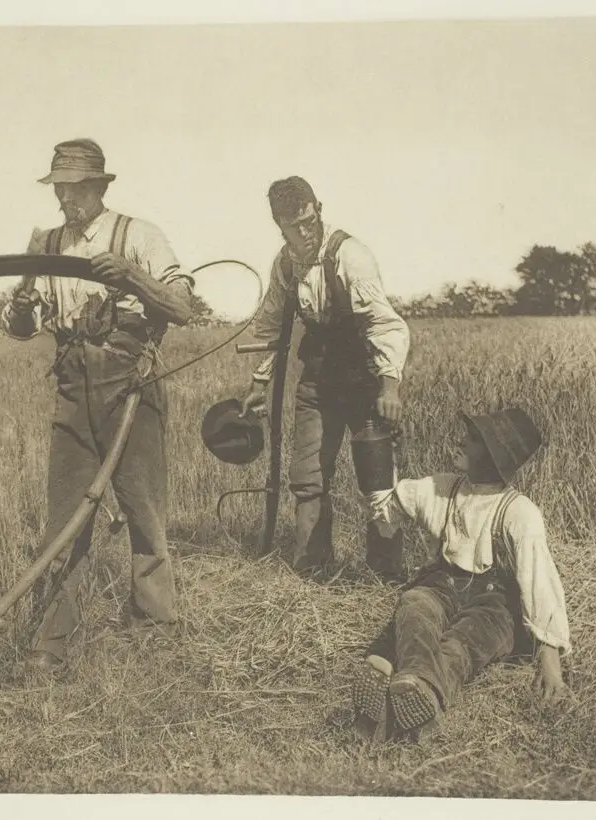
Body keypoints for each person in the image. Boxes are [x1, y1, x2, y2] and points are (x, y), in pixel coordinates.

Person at [2, 138, 193, 671]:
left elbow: (182, 305)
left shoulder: (137, 236)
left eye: (76, 188)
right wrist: (20, 309)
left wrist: (131, 276)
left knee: (143, 506)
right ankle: (51, 641)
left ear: (98, 187)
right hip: (72, 382)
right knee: (65, 515)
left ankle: (155, 625)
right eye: (60, 188)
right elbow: (22, 328)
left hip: (130, 380)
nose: (66, 199)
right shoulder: (45, 243)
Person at [351, 408, 570, 744]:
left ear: (495, 458)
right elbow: (385, 512)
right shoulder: (442, 489)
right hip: (443, 585)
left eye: (471, 440)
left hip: (494, 604)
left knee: (462, 643)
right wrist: (377, 457)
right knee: (414, 605)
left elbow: (538, 581)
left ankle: (406, 688)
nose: (459, 442)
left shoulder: (519, 512)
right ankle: (412, 693)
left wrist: (549, 654)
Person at [240, 176, 410, 577]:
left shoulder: (351, 255)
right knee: (308, 479)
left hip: (364, 377)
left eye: (310, 220)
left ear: (319, 210)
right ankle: (312, 571)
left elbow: (387, 326)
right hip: (317, 380)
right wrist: (259, 383)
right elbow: (270, 329)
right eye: (294, 225)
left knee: (377, 478)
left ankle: (384, 575)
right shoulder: (284, 265)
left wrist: (389, 385)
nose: (305, 231)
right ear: (279, 226)